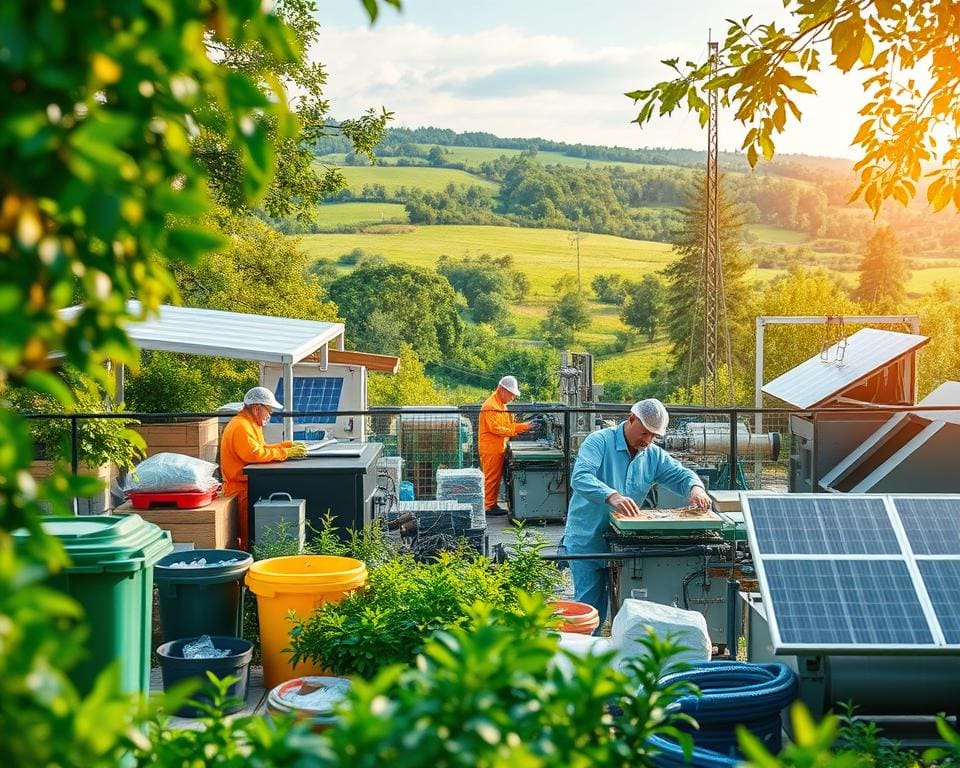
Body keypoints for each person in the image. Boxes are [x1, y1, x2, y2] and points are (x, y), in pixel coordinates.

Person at [562, 398, 710, 625]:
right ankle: (585, 654)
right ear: (631, 419)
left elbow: (681, 475)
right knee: (589, 611)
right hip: (587, 539)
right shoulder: (599, 441)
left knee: (630, 609)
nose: (647, 440)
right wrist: (612, 495)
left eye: (654, 436)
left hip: (626, 544)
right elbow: (580, 477)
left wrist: (696, 488)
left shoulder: (653, 454)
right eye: (644, 433)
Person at [220, 386, 308, 549]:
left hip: (245, 487)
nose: (270, 414)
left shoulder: (248, 423)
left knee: (251, 531)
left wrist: (285, 445)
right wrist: (284, 452)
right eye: (269, 410)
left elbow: (262, 447)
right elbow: (254, 454)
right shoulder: (242, 426)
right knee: (248, 536)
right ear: (256, 408)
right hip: (240, 490)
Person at [477, 375, 533, 515]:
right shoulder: (490, 406)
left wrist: (526, 426)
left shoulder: (501, 406)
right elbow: (496, 429)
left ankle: (491, 504)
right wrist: (518, 429)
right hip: (491, 449)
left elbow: (508, 425)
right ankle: (488, 507)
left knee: (495, 479)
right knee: (491, 478)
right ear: (502, 389)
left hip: (499, 447)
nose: (512, 397)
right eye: (511, 394)